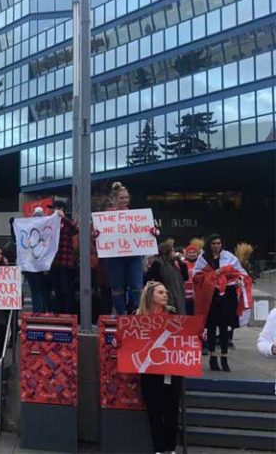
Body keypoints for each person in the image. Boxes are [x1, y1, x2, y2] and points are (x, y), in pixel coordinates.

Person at [133, 281, 186, 454]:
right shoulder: (137, 317)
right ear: (150, 296)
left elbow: (183, 338)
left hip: (171, 371)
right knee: (154, 413)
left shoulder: (173, 314)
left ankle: (170, 449)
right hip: (149, 372)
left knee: (171, 413)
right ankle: (158, 449)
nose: (165, 295)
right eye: (161, 292)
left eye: (166, 292)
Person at [191, 234, 252, 372]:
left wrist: (233, 279)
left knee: (224, 327)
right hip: (210, 297)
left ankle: (224, 358)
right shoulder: (203, 259)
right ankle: (213, 357)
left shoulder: (229, 257)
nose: (216, 246)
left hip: (227, 296)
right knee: (211, 327)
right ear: (209, 245)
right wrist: (213, 275)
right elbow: (196, 277)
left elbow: (241, 274)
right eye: (214, 243)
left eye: (218, 243)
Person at [98, 182, 159, 314]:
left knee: (137, 286)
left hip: (133, 256)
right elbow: (98, 234)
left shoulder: (136, 216)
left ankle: (136, 313)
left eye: (126, 197)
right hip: (114, 257)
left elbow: (144, 230)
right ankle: (121, 315)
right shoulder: (106, 217)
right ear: (114, 199)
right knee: (118, 287)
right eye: (122, 198)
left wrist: (152, 232)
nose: (125, 200)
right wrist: (96, 234)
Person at [48, 201, 79, 314]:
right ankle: (59, 312)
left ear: (61, 209)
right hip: (54, 261)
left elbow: (75, 229)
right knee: (57, 289)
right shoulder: (50, 223)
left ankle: (68, 312)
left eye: (54, 208)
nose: (51, 211)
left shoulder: (67, 222)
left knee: (66, 288)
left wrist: (63, 218)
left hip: (65, 261)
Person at [144, 241, 187, 315]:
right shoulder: (157, 264)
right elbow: (146, 278)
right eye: (173, 250)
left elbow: (185, 277)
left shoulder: (173, 265)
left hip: (178, 297)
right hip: (165, 297)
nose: (174, 253)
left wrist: (182, 264)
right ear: (167, 252)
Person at [24, 208, 51, 313]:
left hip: (39, 265)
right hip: (31, 265)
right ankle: (37, 311)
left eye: (39, 216)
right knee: (35, 289)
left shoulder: (45, 231)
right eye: (36, 216)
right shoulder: (29, 230)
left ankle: (41, 311)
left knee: (40, 290)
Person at [183, 244, 200, 315]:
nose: (192, 254)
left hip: (198, 295)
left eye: (194, 252)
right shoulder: (182, 264)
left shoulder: (201, 264)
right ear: (186, 254)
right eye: (190, 252)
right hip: (185, 295)